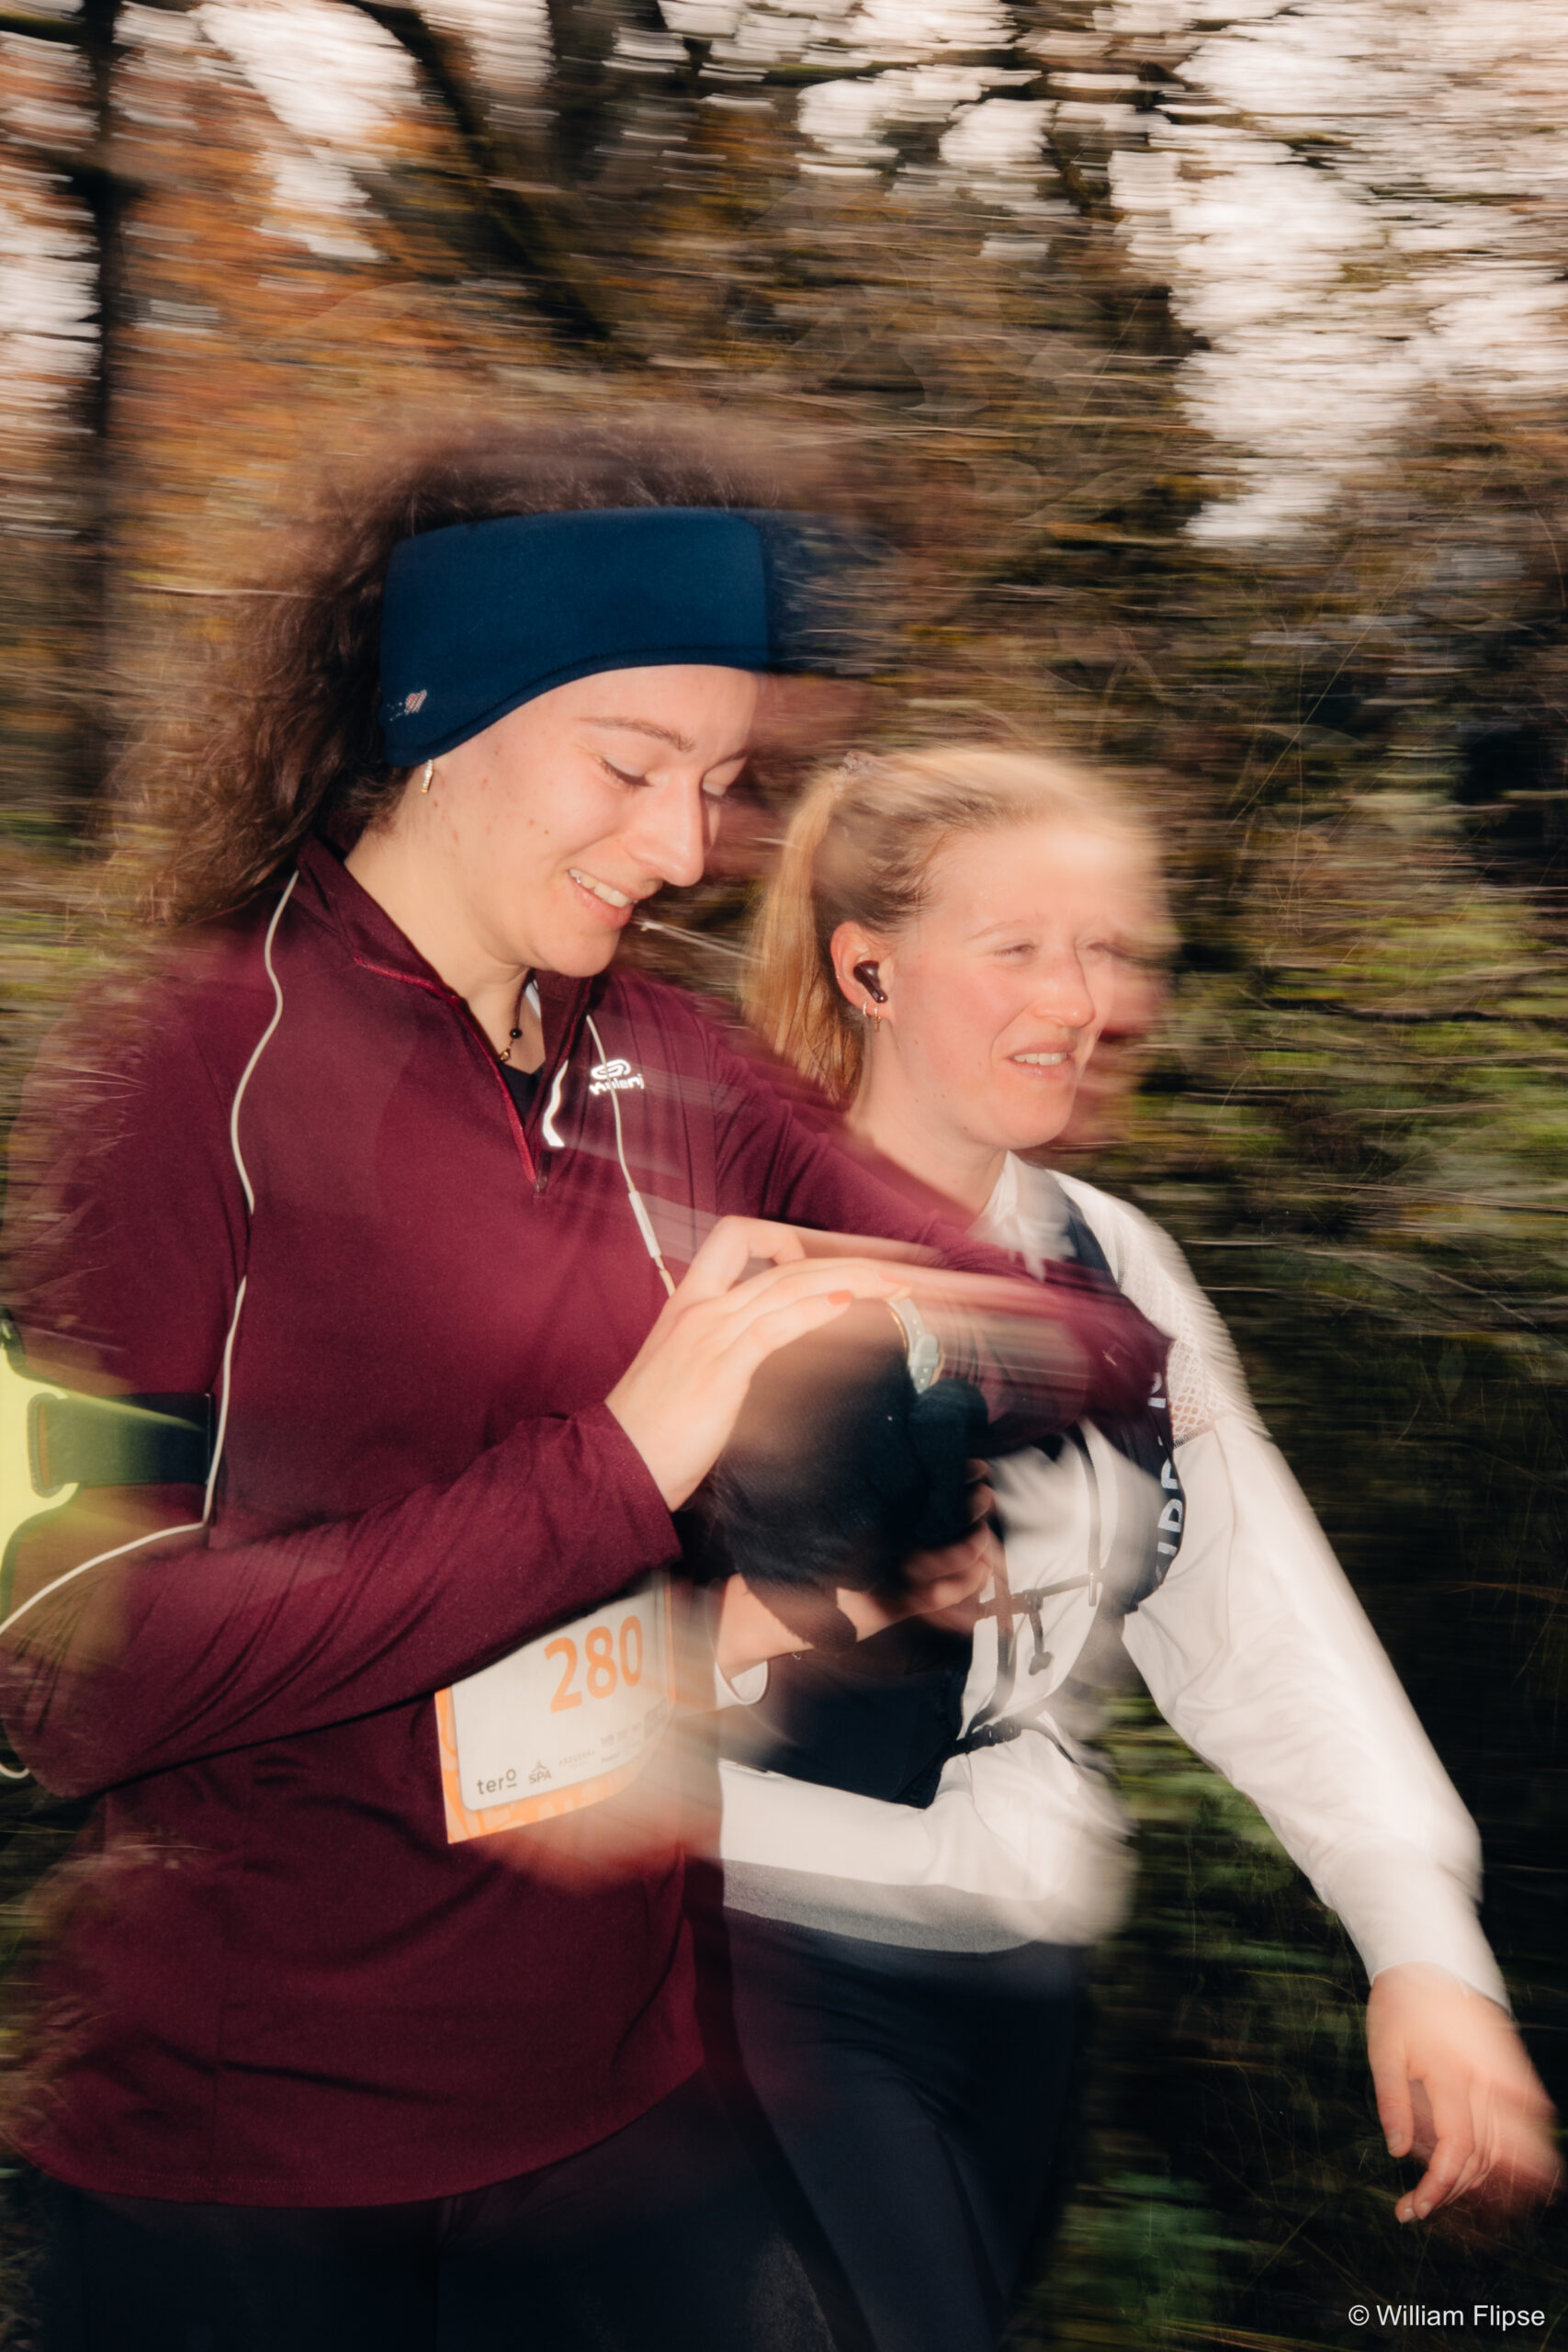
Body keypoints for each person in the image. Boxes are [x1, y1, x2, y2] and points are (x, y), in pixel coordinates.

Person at [0, 437, 1167, 2351]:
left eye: (718, 780)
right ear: (438, 716)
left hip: (629, 2121)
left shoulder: (669, 1060)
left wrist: (856, 1493)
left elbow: (1089, 1339)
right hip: (246, 2175)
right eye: (629, 765)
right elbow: (62, 1668)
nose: (686, 845)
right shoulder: (176, 1073)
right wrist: (625, 1458)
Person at [717, 742, 1561, 2352]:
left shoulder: (1114, 1263)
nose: (1081, 999)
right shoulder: (714, 1246)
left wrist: (1423, 1947)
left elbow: (1256, 1617)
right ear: (868, 968)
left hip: (1021, 1978)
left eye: (1105, 951)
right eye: (1019, 948)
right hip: (753, 1958)